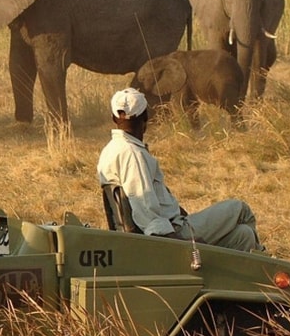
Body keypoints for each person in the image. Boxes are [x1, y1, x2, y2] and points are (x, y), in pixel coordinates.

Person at [97, 87, 260, 252]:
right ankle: (272, 270)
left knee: (244, 235)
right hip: (173, 235)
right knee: (240, 209)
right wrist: (175, 243)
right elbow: (145, 207)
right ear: (146, 117)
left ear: (113, 118)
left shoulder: (111, 150)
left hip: (176, 225)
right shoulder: (132, 153)